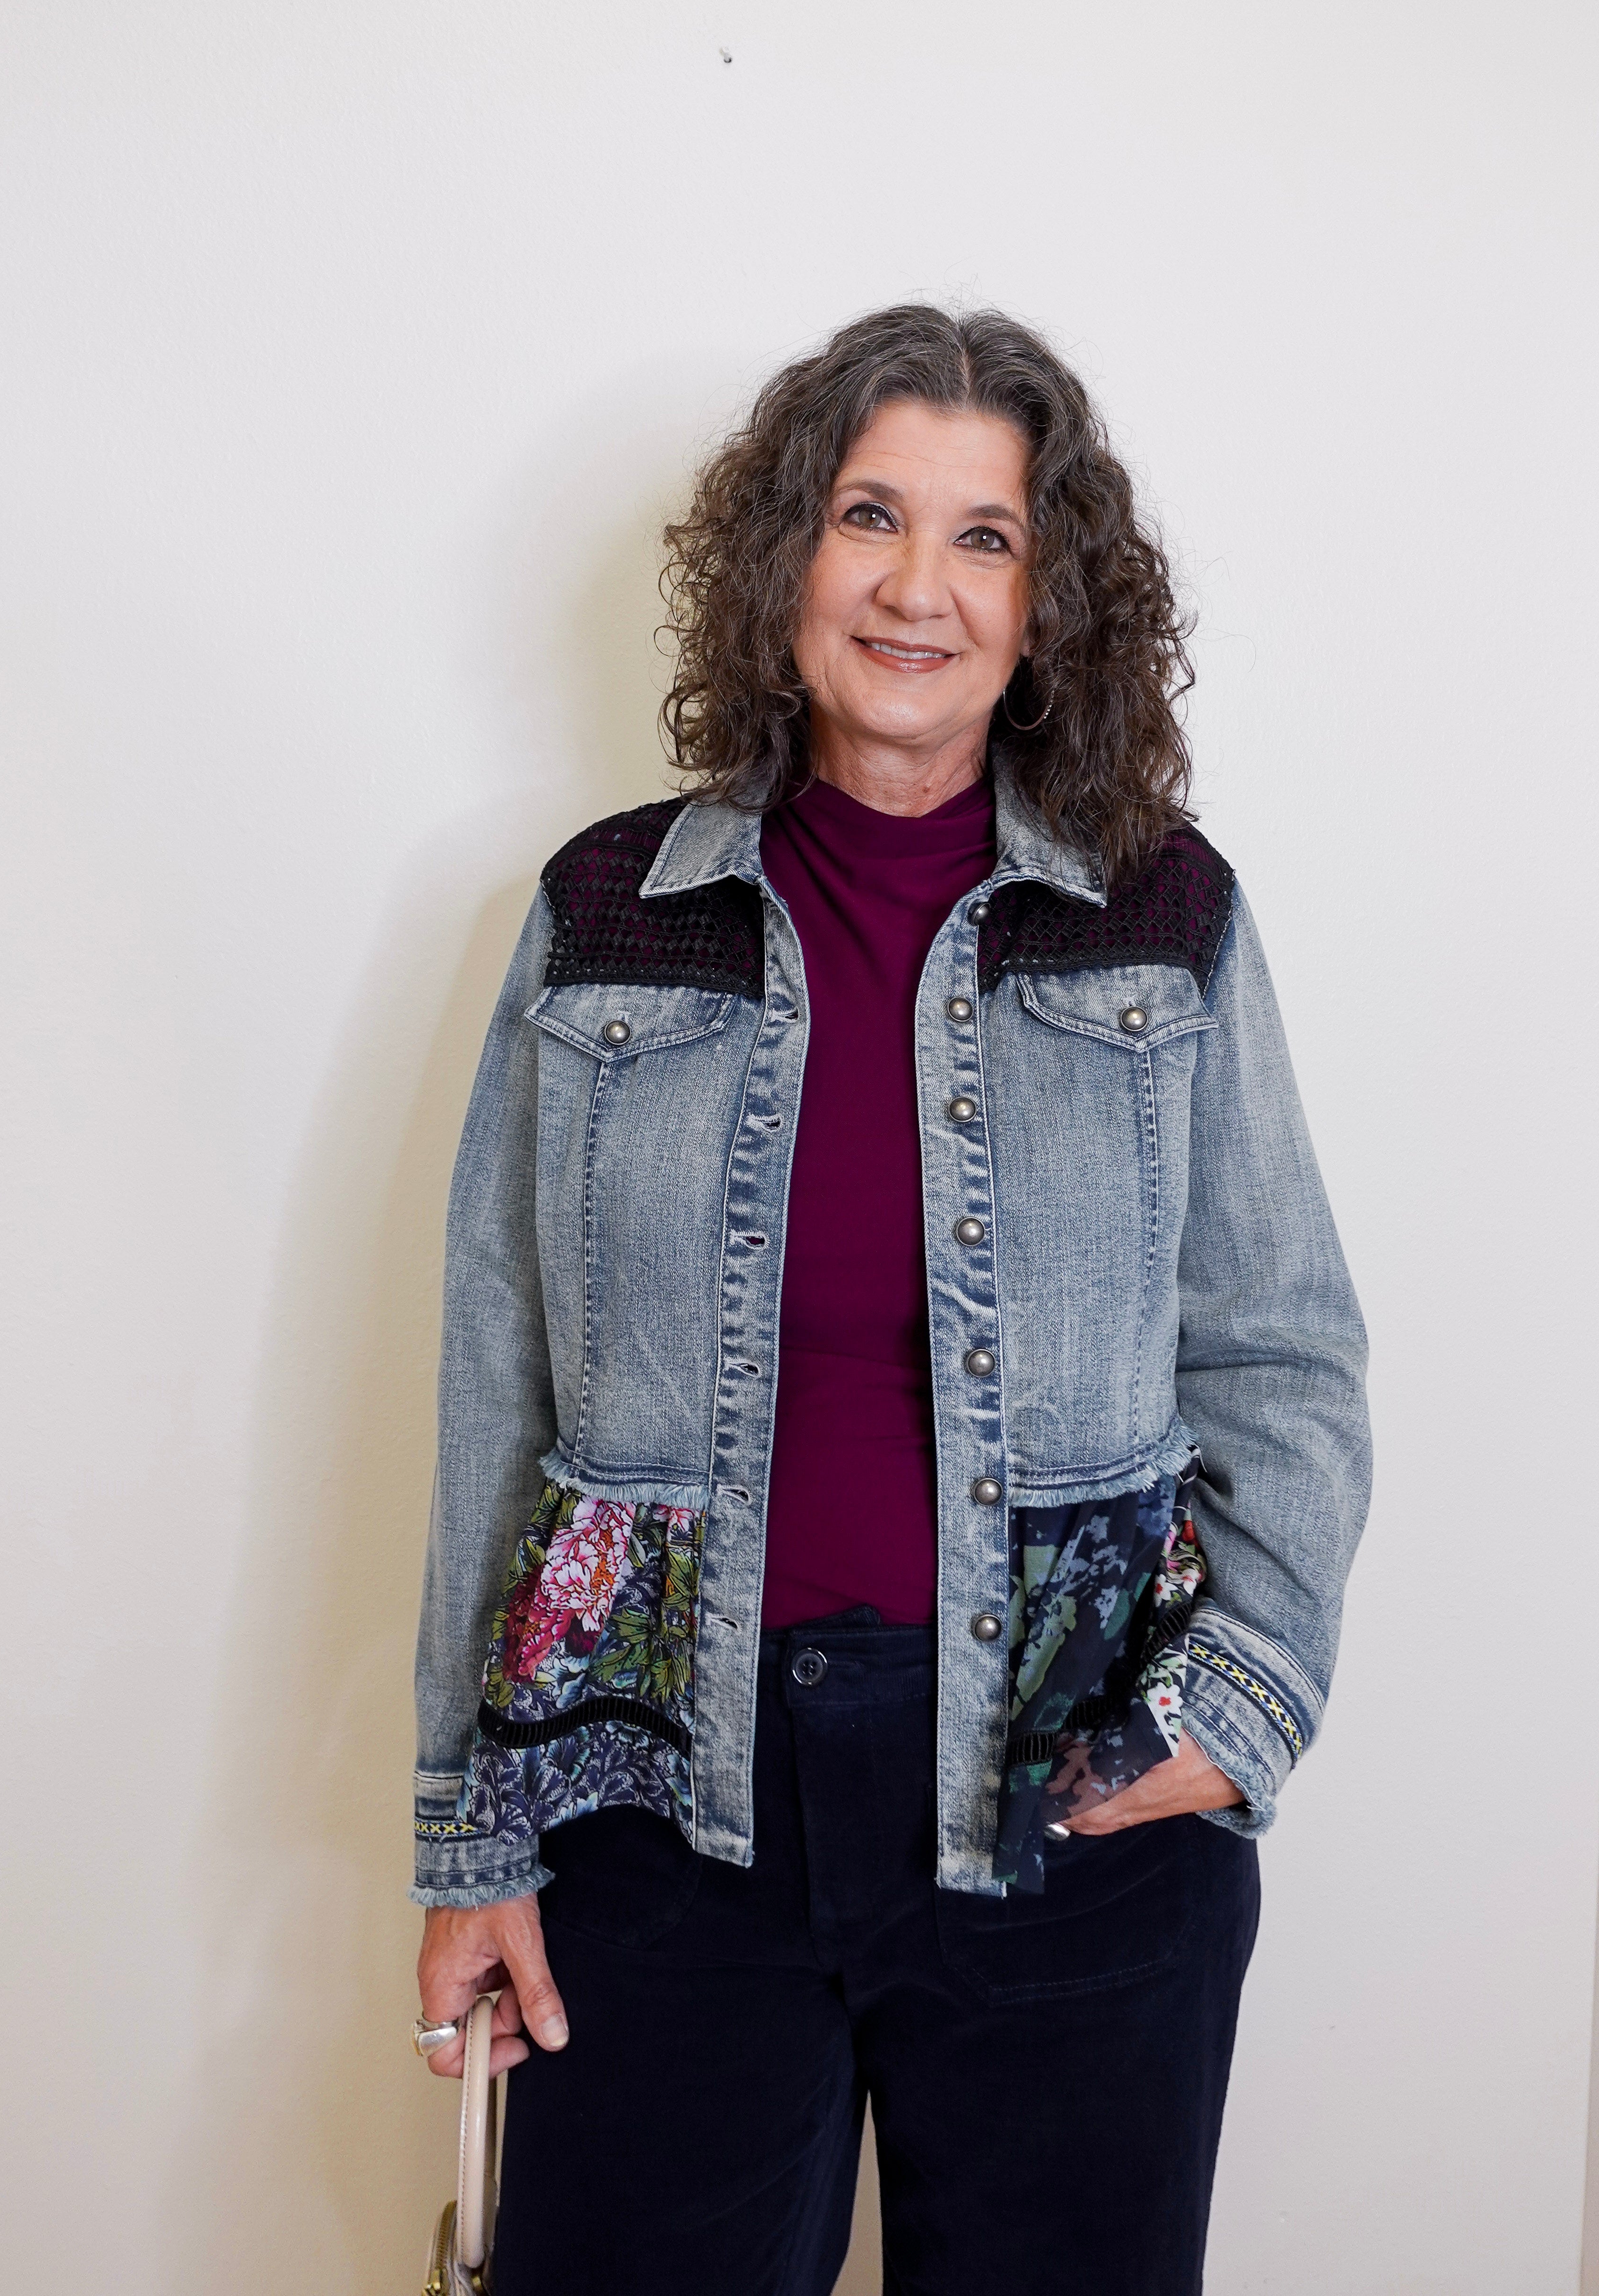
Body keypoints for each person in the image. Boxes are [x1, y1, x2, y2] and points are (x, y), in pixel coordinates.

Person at [408, 304, 1371, 2296]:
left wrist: (1234, 1706)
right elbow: (497, 1381)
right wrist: (471, 1839)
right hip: (664, 1807)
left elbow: (1281, 1346)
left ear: (1048, 604)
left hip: (1073, 1808)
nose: (919, 586)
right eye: (870, 515)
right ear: (788, 561)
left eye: (986, 536)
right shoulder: (606, 914)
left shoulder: (1158, 912)